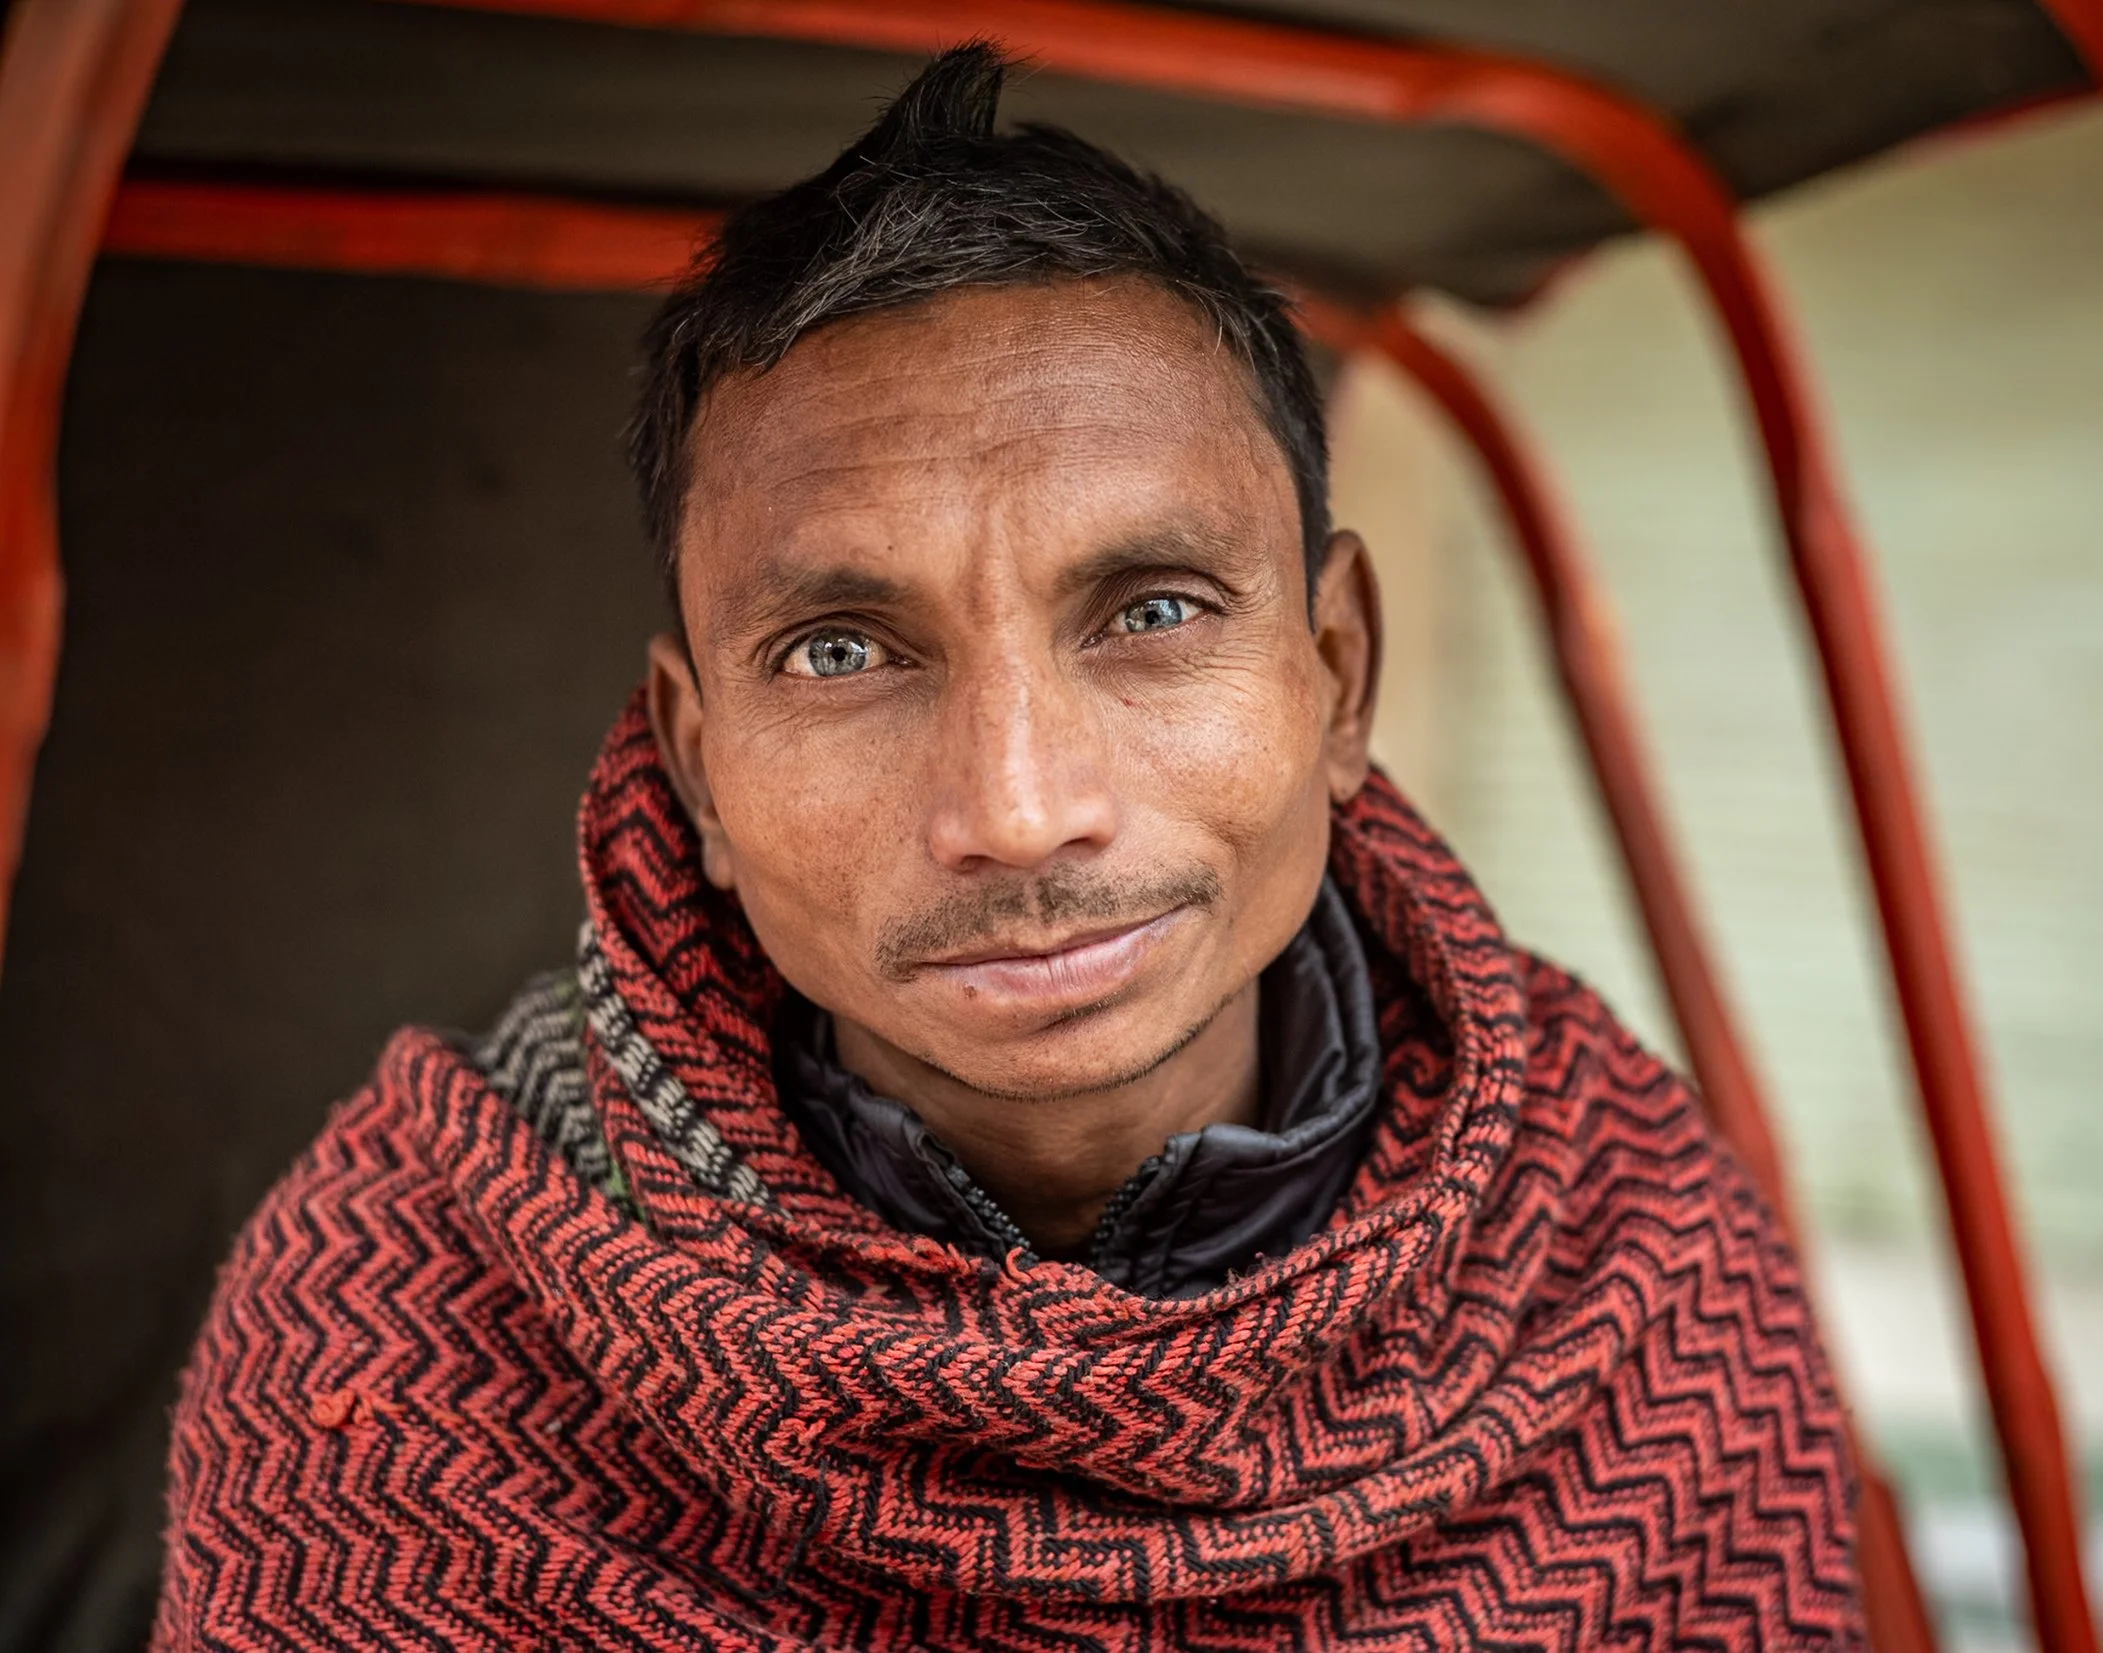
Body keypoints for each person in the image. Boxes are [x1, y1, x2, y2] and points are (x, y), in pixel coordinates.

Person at [154, 44, 1865, 1651]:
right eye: (842, 650)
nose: (1020, 808)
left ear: (1338, 674)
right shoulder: (408, 1327)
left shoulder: (1626, 1252)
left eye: (1152, 611)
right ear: (695, 768)